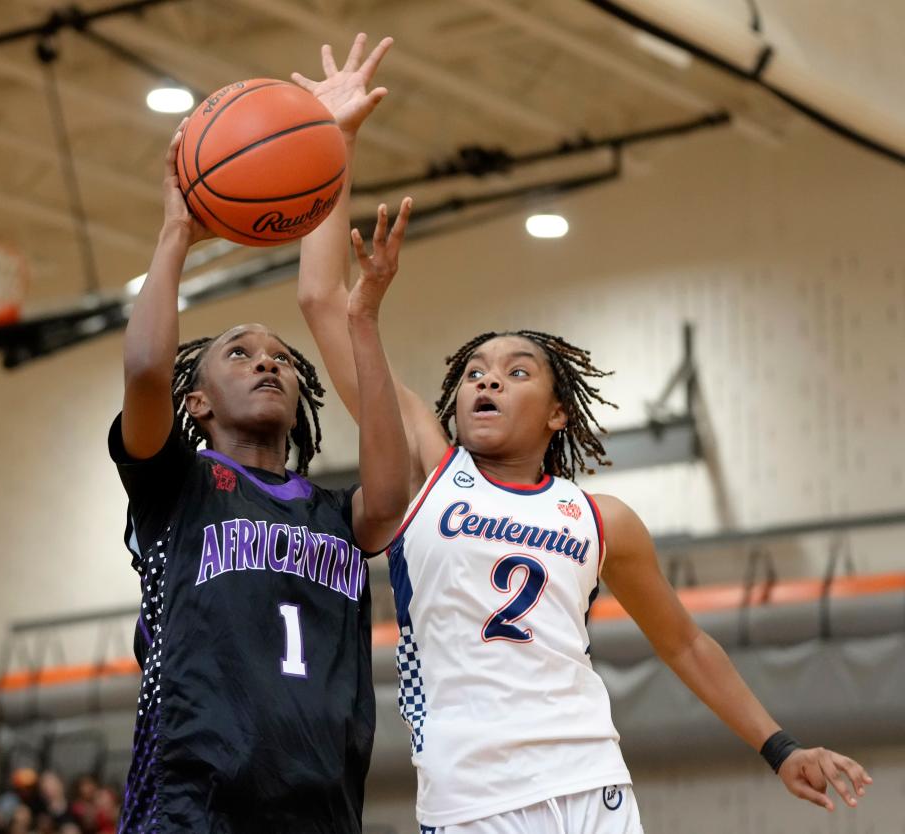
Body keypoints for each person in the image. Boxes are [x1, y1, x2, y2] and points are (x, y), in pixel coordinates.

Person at [295, 83, 873, 834]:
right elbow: (319, 297)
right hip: (475, 796)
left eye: (515, 371)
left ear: (559, 411)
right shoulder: (428, 472)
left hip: (593, 782)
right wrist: (331, 141)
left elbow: (687, 643)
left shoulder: (602, 520)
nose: (488, 379)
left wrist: (778, 746)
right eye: (473, 372)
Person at [109, 34, 407, 834]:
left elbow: (394, 487)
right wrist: (176, 231)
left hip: (324, 808)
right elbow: (144, 374)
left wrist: (363, 321)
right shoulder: (178, 489)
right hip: (194, 806)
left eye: (280, 357)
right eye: (237, 354)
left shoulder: (336, 515)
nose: (267, 362)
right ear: (197, 405)